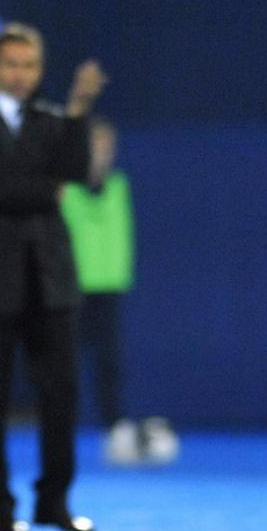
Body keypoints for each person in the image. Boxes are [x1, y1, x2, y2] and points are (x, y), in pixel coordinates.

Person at [0, 23, 106, 531]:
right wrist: (44, 185)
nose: (20, 74)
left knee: (62, 393)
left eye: (29, 66)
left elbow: (78, 175)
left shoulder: (56, 119)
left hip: (48, 277)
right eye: (11, 64)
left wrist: (78, 111)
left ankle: (53, 502)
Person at [59, 119, 180, 466]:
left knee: (109, 363)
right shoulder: (65, 188)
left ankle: (115, 429)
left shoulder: (118, 185)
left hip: (108, 287)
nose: (100, 154)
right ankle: (59, 431)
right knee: (62, 364)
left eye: (106, 148)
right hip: (71, 288)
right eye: (94, 146)